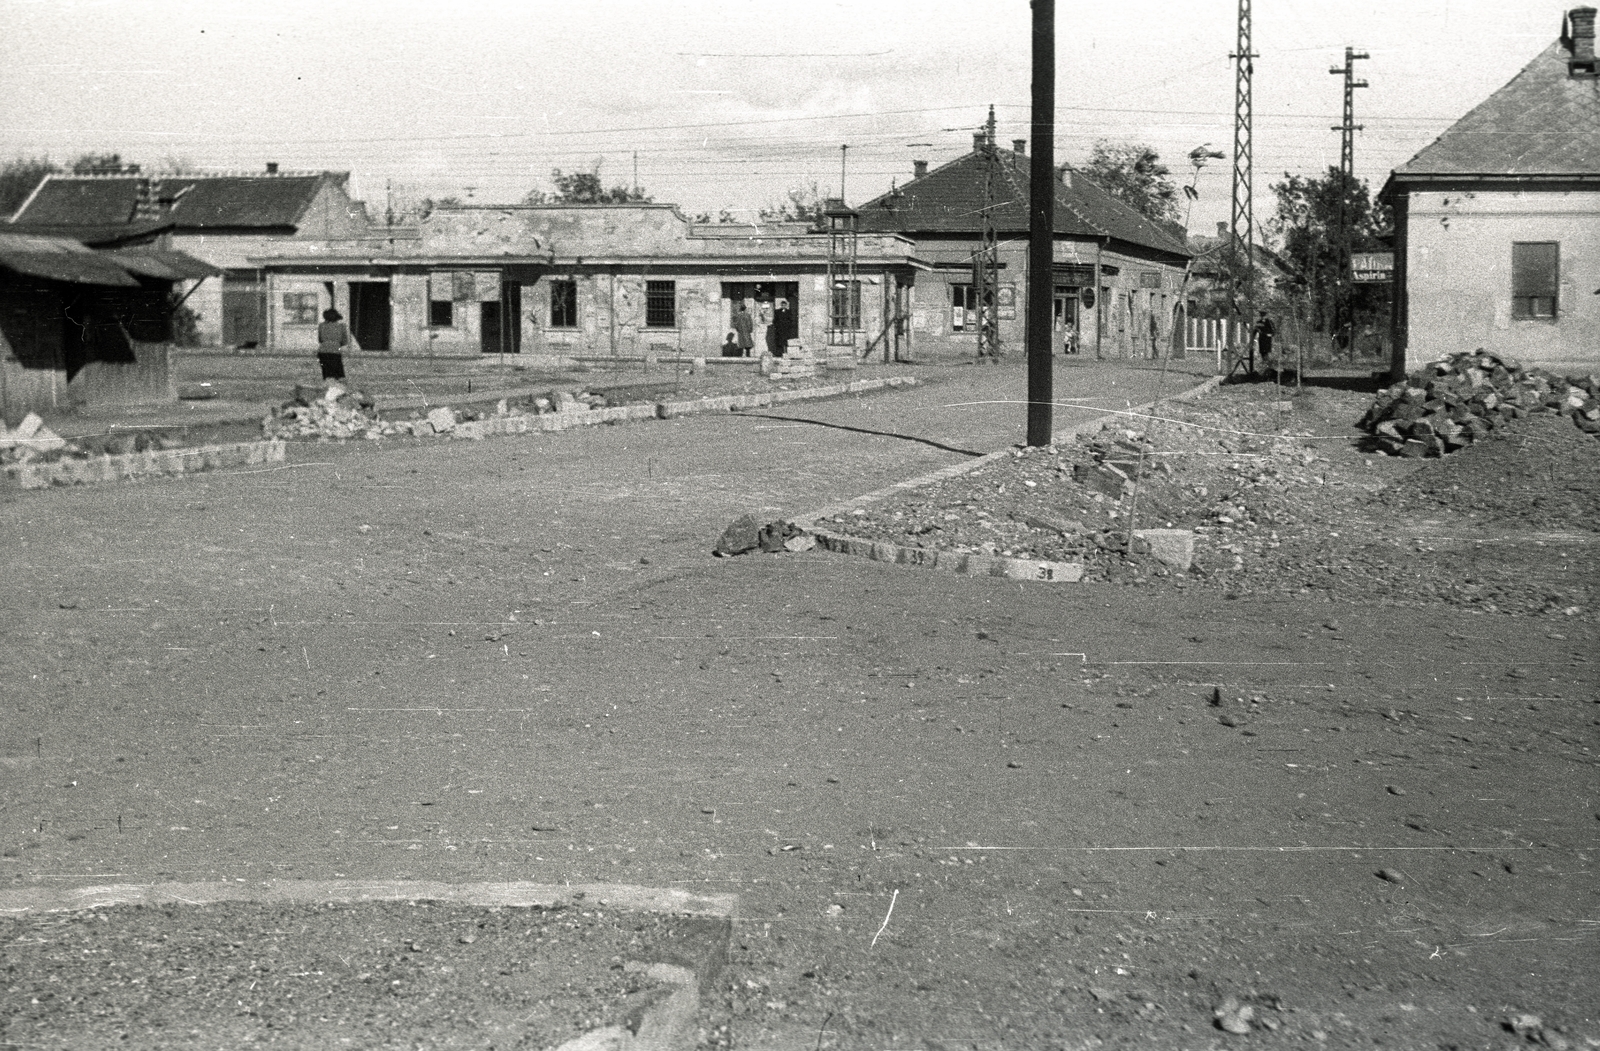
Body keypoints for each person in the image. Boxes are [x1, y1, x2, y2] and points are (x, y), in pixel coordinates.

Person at [317, 308, 349, 380]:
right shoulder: (342, 326)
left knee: (327, 374)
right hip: (335, 352)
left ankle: (328, 388)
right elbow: (345, 341)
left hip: (322, 352)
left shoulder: (321, 326)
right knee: (338, 375)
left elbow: (320, 339)